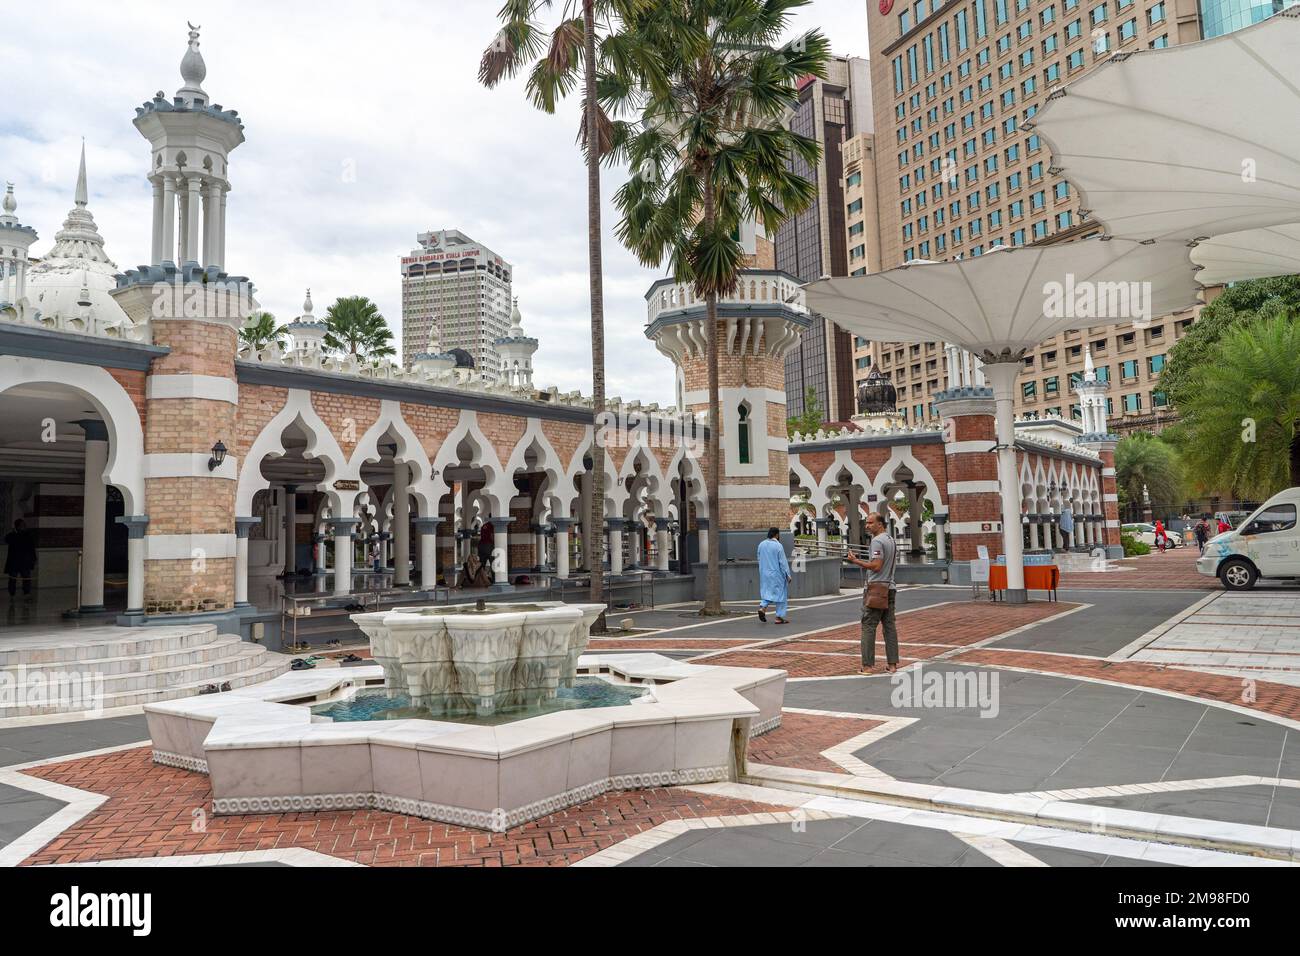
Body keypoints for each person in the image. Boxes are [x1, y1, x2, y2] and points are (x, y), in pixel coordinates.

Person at [845, 511, 899, 674]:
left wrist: (855, 561)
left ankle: (867, 666)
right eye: (866, 523)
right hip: (890, 587)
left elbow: (876, 566)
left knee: (868, 626)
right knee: (889, 626)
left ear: (880, 524)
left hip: (876, 588)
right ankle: (892, 664)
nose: (867, 526)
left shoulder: (877, 541)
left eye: (870, 523)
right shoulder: (891, 540)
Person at [756, 527, 791, 624]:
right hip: (776, 574)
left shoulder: (761, 544)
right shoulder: (778, 546)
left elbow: (759, 559)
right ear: (776, 534)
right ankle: (778, 617)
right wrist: (788, 575)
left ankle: (763, 608)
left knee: (767, 592)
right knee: (781, 595)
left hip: (764, 574)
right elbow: (782, 562)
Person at [4, 518, 36, 596]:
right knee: (13, 578)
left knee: (26, 577)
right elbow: (7, 539)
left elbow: (31, 547)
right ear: (17, 526)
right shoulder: (12, 535)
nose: (24, 527)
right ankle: (12, 593)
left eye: (24, 525)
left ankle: (26, 593)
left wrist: (33, 558)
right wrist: (13, 532)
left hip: (25, 561)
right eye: (22, 525)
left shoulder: (28, 535)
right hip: (14, 561)